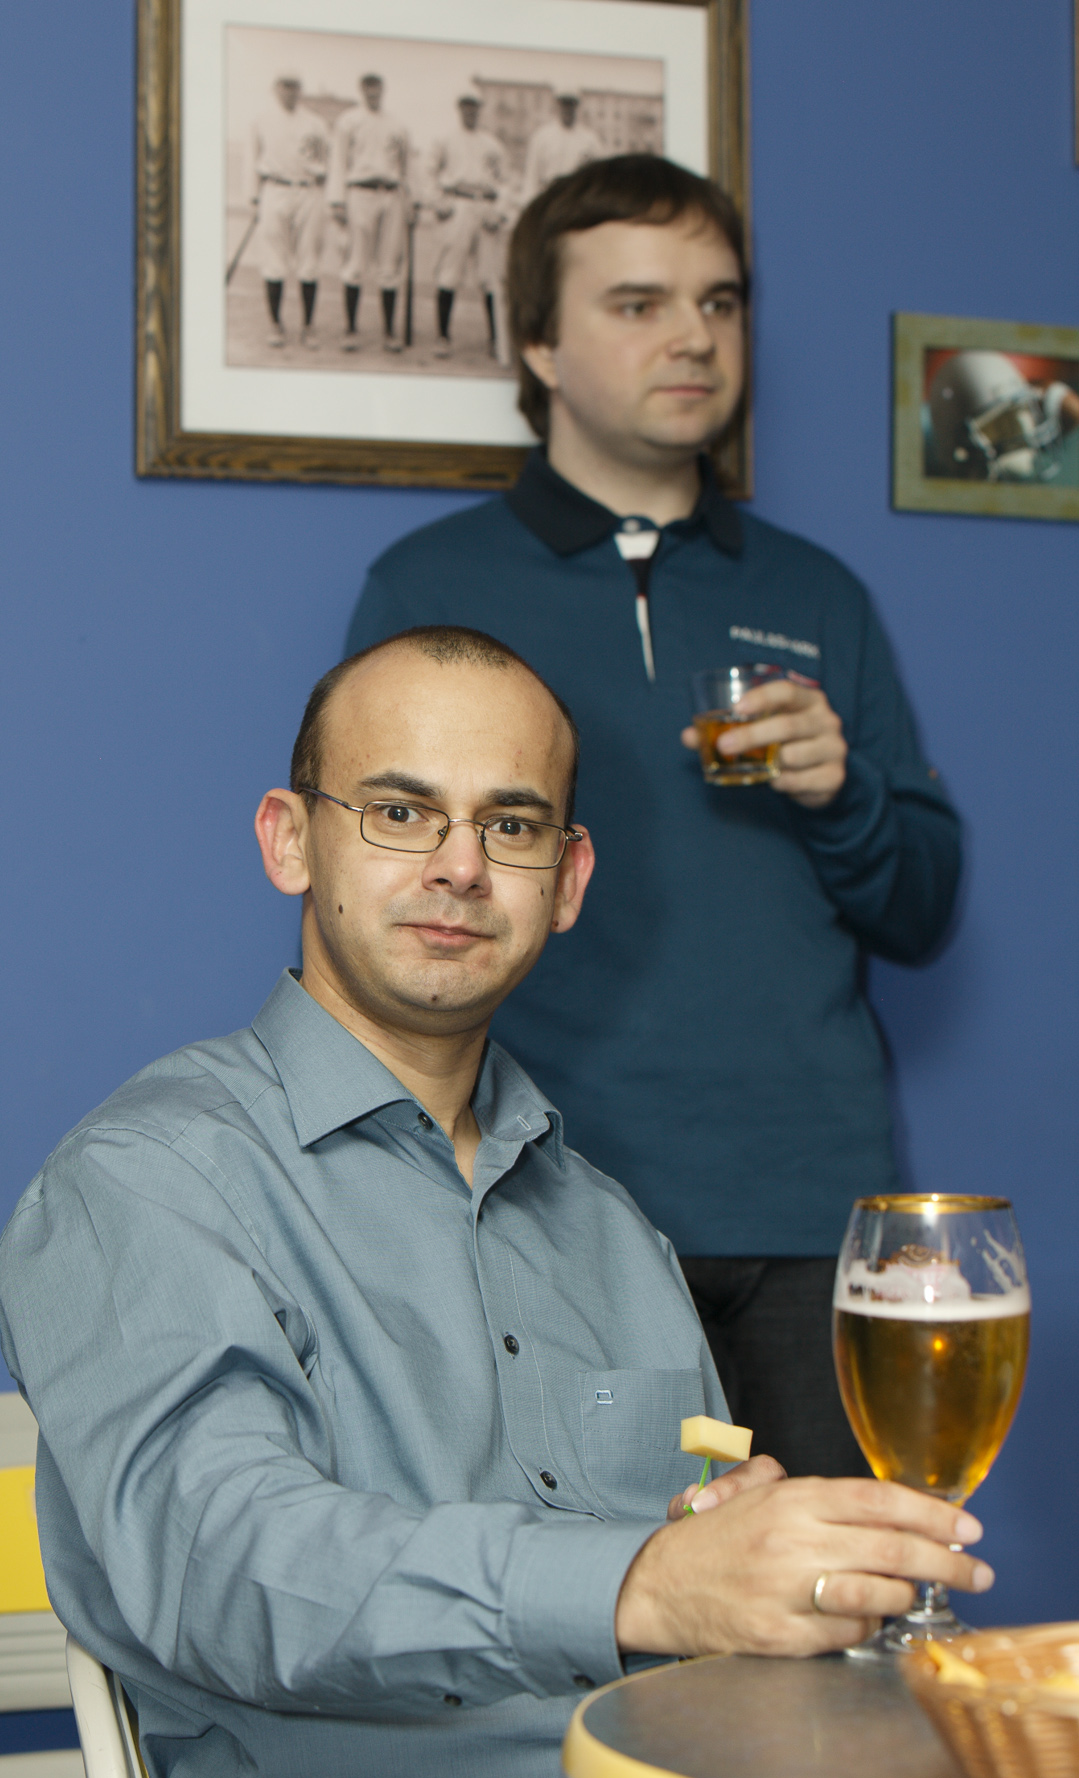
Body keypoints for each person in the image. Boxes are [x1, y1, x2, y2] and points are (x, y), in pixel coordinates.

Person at [0, 627, 990, 1778]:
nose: (458, 867)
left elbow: (690, 1589)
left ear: (565, 882)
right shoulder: (148, 1178)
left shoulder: (612, 1230)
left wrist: (744, 1574)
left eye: (510, 826)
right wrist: (640, 1583)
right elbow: (220, 1567)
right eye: (400, 812)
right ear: (290, 841)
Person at [343, 157, 964, 1481]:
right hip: (544, 1196)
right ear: (539, 346)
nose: (693, 336)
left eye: (718, 302)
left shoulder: (817, 594)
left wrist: (840, 792)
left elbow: (920, 907)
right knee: (591, 1594)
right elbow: (370, 891)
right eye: (638, 304)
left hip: (808, 1206)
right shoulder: (429, 586)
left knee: (830, 1593)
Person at [328, 74, 410, 354]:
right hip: (359, 193)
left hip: (391, 194)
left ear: (383, 89)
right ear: (361, 90)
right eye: (368, 87)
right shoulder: (348, 120)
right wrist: (337, 201)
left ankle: (389, 331)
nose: (373, 92)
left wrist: (411, 202)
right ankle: (350, 329)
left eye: (377, 87)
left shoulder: (397, 124)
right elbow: (338, 161)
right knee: (355, 264)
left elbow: (407, 166)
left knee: (389, 266)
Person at [248, 76, 329, 349]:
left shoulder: (316, 123)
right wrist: (253, 199)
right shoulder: (261, 120)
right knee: (274, 260)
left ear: (300, 90)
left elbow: (326, 161)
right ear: (275, 89)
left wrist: (327, 194)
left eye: (294, 86)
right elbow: (251, 162)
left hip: (309, 191)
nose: (289, 91)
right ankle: (275, 324)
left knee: (309, 261)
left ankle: (308, 326)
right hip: (275, 189)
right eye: (284, 86)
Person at [428, 95, 508, 360]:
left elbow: (506, 182)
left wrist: (499, 212)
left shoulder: (492, 144)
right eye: (466, 106)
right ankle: (443, 336)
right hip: (458, 205)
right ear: (459, 108)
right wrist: (439, 202)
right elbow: (429, 172)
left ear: (480, 109)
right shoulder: (445, 139)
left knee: (489, 276)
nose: (470, 110)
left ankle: (495, 339)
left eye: (474, 106)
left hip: (485, 205)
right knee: (449, 273)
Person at [522, 93, 602, 203]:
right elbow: (532, 176)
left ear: (576, 107)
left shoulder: (590, 140)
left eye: (571, 104)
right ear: (557, 106)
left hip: (577, 200)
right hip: (549, 198)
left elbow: (598, 178)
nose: (567, 109)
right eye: (564, 104)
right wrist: (529, 202)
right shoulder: (541, 136)